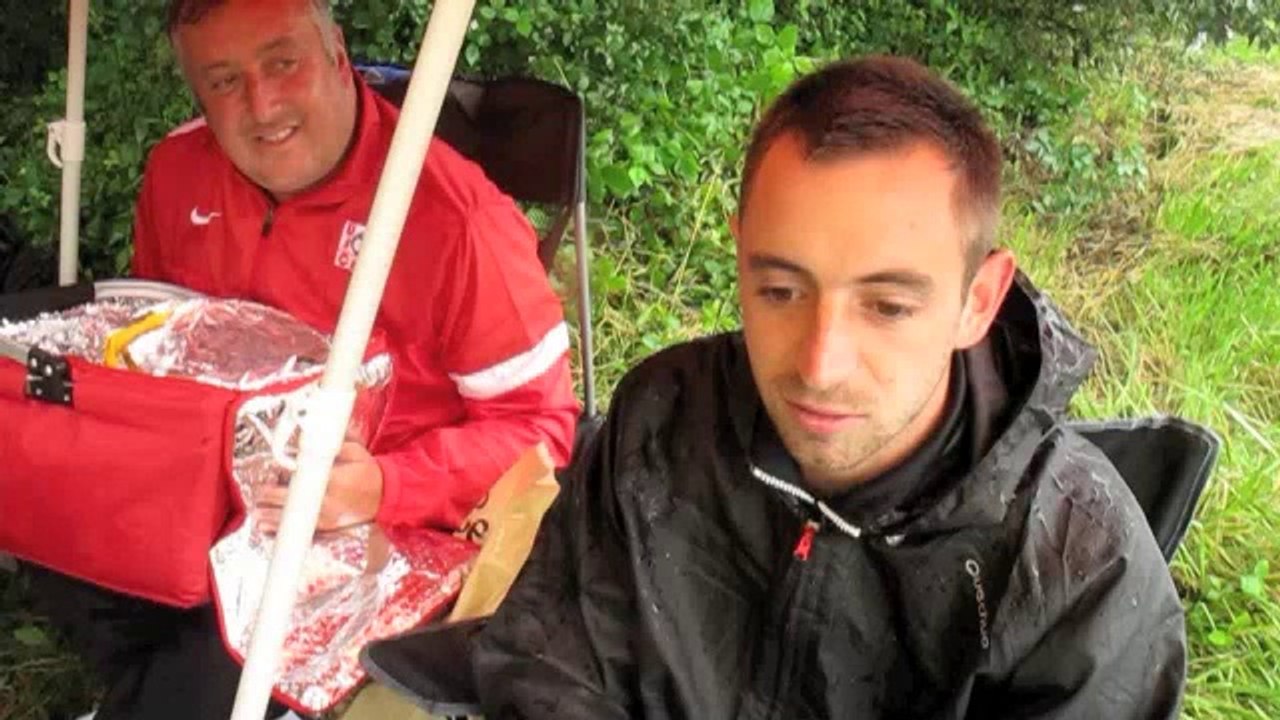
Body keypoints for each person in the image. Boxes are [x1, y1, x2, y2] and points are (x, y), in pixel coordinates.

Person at [473, 55, 1187, 719]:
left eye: (888, 306)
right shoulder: (660, 420)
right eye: (780, 290)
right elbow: (548, 669)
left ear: (978, 299)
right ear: (739, 255)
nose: (819, 365)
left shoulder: (1079, 567)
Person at [24, 1, 579, 718]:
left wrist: (384, 486)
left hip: (377, 530)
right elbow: (159, 340)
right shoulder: (177, 172)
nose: (262, 104)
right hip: (204, 492)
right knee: (54, 534)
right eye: (223, 81)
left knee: (201, 684)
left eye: (282, 62)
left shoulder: (455, 219)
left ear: (337, 53)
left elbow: (544, 430)